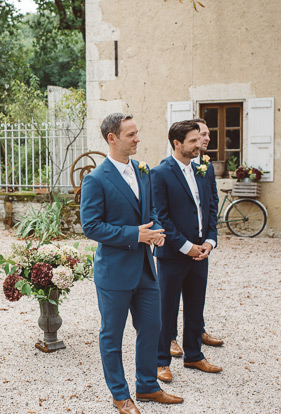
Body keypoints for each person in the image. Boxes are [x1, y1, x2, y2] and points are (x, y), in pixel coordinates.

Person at [80, 113, 183, 414]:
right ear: (112, 138)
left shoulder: (143, 170)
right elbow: (91, 226)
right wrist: (135, 235)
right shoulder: (96, 179)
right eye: (130, 135)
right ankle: (119, 395)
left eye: (137, 133)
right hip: (114, 272)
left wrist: (156, 235)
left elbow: (150, 213)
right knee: (112, 335)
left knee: (153, 326)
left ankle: (148, 386)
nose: (138, 139)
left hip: (146, 270)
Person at [151, 120, 221, 383]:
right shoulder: (160, 173)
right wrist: (185, 246)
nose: (198, 144)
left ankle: (194, 355)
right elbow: (161, 216)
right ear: (177, 143)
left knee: (195, 306)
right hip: (173, 254)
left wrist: (209, 242)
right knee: (166, 309)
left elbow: (210, 208)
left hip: (201, 252)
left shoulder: (202, 169)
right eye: (192, 140)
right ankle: (160, 361)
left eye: (199, 139)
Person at [169, 118, 223, 358]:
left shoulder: (206, 166)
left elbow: (211, 203)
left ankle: (197, 333)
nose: (206, 138)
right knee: (170, 299)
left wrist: (210, 240)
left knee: (196, 297)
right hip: (177, 248)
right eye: (202, 134)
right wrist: (186, 245)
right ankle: (170, 337)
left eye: (207, 134)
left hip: (202, 245)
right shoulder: (168, 168)